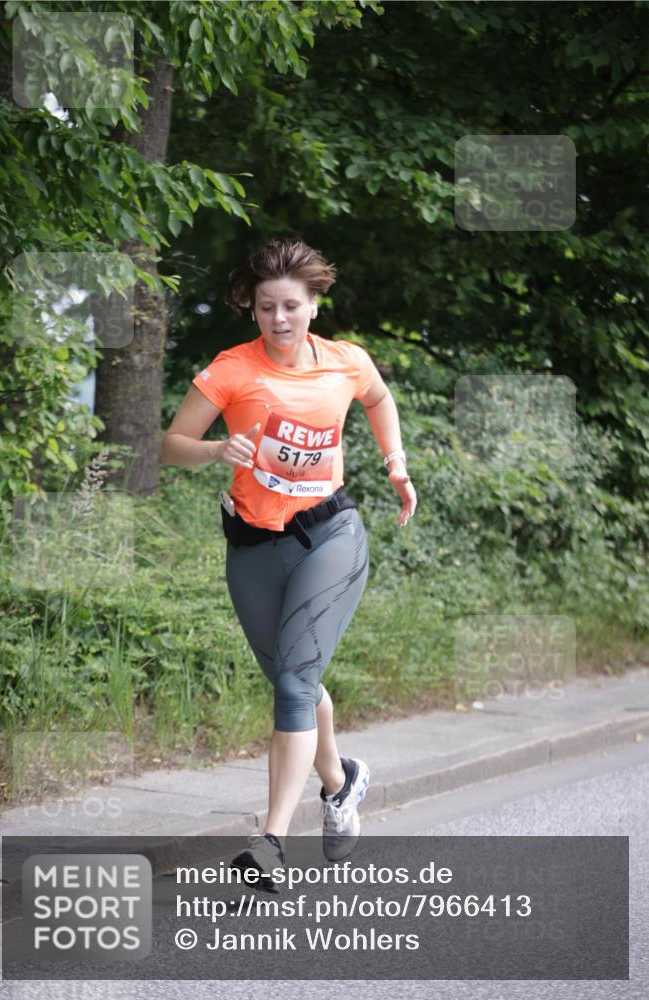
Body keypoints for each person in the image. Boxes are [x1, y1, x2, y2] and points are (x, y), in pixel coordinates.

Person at [159, 237, 417, 891]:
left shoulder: (345, 362)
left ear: (313, 306)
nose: (280, 318)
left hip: (329, 535)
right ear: (252, 310)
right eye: (267, 307)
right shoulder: (230, 370)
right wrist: (217, 451)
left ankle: (270, 842)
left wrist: (395, 464)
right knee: (291, 680)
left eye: (291, 306)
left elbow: (379, 400)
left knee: (296, 684)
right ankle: (340, 780)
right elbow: (172, 445)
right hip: (252, 546)